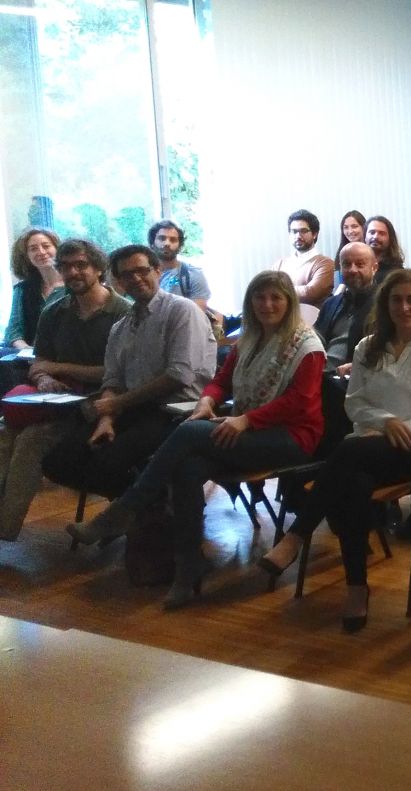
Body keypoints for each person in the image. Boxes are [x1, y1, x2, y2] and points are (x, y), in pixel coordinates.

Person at [67, 272, 324, 608]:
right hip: (246, 430)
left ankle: (123, 510)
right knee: (188, 466)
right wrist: (207, 401)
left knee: (188, 432)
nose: (267, 304)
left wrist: (245, 420)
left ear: (289, 302)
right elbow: (221, 381)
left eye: (276, 297)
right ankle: (188, 566)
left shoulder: (307, 346)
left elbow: (299, 402)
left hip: (290, 437)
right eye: (260, 297)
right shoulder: (249, 339)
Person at [260, 269, 411, 632]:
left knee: (348, 453)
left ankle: (297, 535)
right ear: (385, 305)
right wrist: (386, 422)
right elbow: (354, 403)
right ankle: (356, 587)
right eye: (396, 300)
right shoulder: (367, 347)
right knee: (352, 484)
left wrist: (404, 427)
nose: (404, 307)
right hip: (364, 448)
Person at [40, 245, 216, 501]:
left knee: (107, 460)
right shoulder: (121, 326)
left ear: (157, 271)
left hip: (176, 411)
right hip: (132, 409)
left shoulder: (182, 310)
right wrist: (106, 419)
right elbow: (113, 379)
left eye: (142, 270)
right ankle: (146, 504)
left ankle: (141, 506)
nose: (135, 278)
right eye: (126, 275)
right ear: (118, 281)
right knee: (57, 461)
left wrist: (117, 403)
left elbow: (178, 376)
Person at [0, 240, 130, 541]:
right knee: (4, 432)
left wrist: (59, 368)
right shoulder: (54, 311)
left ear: (99, 268)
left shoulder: (122, 313)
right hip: (55, 399)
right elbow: (39, 362)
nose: (73, 272)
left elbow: (117, 373)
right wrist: (44, 377)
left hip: (103, 402)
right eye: (66, 266)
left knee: (32, 439)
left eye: (81, 265)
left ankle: (5, 530)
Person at [313, 242, 378, 376]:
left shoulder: (384, 305)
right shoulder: (330, 303)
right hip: (320, 373)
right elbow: (314, 340)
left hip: (357, 377)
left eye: (360, 264)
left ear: (374, 268)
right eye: (346, 264)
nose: (352, 270)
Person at [5, 228, 65, 350]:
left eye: (46, 246)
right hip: (30, 356)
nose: (41, 252)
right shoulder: (22, 290)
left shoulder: (74, 286)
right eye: (33, 249)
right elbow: (14, 332)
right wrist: (28, 350)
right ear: (26, 256)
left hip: (69, 355)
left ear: (57, 249)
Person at [273, 209, 336, 308]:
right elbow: (269, 290)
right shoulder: (280, 264)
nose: (298, 236)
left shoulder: (325, 264)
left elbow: (310, 293)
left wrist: (278, 290)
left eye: (303, 231)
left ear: (314, 234)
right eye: (294, 231)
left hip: (312, 317)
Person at [149, 220, 210, 309]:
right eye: (162, 238)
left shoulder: (193, 274)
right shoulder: (142, 275)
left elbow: (197, 313)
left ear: (180, 247)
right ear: (152, 244)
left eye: (173, 240)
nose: (167, 243)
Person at [364, 215, 405, 282]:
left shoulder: (397, 273)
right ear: (365, 237)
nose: (375, 237)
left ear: (390, 239)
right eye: (372, 232)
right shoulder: (356, 267)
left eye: (381, 233)